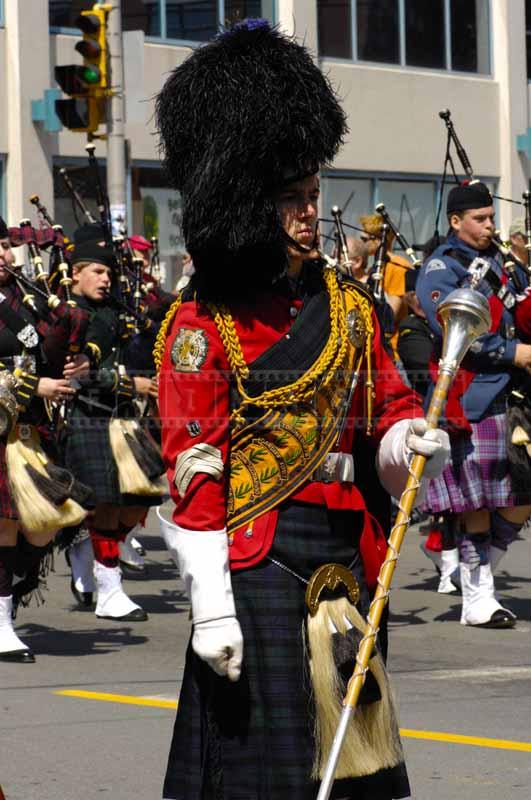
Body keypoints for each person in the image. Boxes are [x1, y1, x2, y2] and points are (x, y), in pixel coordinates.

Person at [155, 21, 449, 800]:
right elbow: (194, 463)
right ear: (247, 203)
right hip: (258, 561)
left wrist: (406, 438)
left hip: (346, 556)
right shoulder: (201, 322)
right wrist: (210, 603)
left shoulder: (350, 306)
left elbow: (385, 403)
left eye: (312, 196)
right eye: (292, 199)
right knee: (266, 774)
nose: (309, 213)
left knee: (356, 770)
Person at [416, 182, 531, 628]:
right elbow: (457, 332)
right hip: (472, 396)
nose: (489, 225)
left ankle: (480, 578)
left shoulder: (503, 262)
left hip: (513, 395)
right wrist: (514, 353)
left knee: (521, 495)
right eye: (480, 219)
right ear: (455, 221)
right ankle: (478, 597)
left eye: (490, 217)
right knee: (477, 505)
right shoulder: (440, 269)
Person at [0, 217, 89, 661]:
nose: (2, 254)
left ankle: (4, 606)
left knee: (48, 526)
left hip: (30, 432)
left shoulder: (23, 300)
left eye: (3, 245)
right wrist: (34, 387)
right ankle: (1, 626)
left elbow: (45, 352)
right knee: (6, 526)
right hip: (3, 430)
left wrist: (77, 363)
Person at [62, 241, 163, 621]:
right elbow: (78, 376)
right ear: (76, 274)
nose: (106, 279)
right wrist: (130, 385)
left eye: (109, 273)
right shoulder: (69, 316)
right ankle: (110, 591)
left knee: (139, 498)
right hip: (86, 416)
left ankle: (87, 546)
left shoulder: (114, 309)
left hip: (123, 418)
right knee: (106, 505)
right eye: (98, 272)